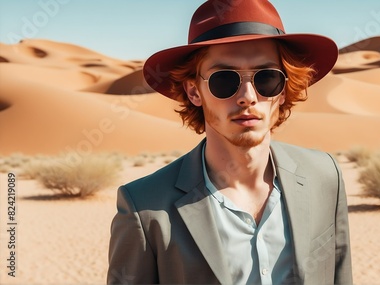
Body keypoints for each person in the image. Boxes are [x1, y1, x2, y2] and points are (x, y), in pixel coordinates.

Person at [107, 0, 352, 284]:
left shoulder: (324, 177)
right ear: (194, 91)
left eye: (267, 78)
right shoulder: (145, 207)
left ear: (283, 90)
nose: (248, 96)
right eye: (224, 80)